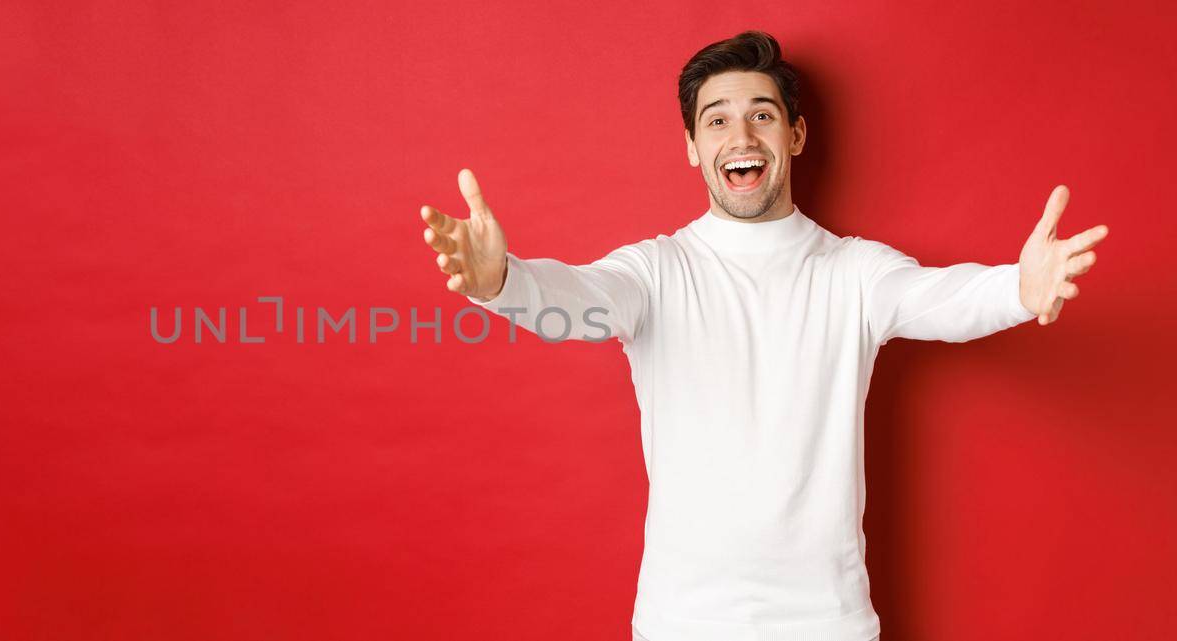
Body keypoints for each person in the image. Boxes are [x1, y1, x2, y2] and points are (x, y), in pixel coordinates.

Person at [415, 31, 1107, 641]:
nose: (740, 137)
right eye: (716, 121)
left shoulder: (855, 271)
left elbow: (941, 299)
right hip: (681, 624)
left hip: (827, 623)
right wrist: (501, 282)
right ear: (692, 146)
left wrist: (1018, 288)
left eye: (762, 116)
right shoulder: (656, 271)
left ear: (795, 135)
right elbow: (577, 300)